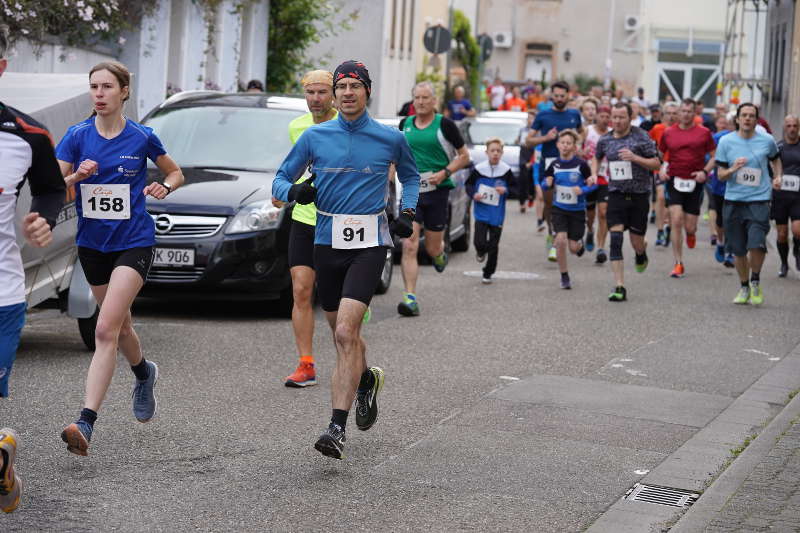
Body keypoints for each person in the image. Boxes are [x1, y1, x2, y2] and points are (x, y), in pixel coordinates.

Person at [272, 60, 420, 459]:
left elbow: (410, 176)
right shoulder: (315, 137)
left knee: (342, 335)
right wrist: (297, 191)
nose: (348, 93)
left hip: (369, 244)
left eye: (356, 86)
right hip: (326, 242)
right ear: (335, 94)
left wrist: (407, 212)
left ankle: (336, 427)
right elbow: (279, 180)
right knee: (345, 334)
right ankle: (367, 379)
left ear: (367, 92)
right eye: (343, 87)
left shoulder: (390, 138)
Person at [56, 61, 185, 456]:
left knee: (104, 329)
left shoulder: (142, 137)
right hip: (94, 246)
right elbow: (56, 193)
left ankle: (85, 422)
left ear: (124, 91)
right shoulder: (76, 137)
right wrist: (76, 178)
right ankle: (144, 374)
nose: (98, 93)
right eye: (93, 86)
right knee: (122, 326)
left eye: (107, 86)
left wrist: (164, 186)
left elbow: (176, 172)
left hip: (134, 242)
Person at [0, 24, 66, 399]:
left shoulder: (29, 136)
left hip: (3, 292)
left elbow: (52, 189)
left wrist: (44, 219)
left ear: (2, 67)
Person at [282, 70, 338, 388]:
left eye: (321, 92)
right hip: (305, 218)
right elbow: (294, 167)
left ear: (332, 94)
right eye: (310, 93)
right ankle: (306, 364)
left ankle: (350, 354)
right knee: (301, 290)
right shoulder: (297, 127)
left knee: (337, 298)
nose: (315, 99)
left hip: (339, 220)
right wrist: (288, 189)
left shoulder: (345, 125)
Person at [397, 81, 470, 317]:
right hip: (411, 192)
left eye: (425, 98)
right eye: (417, 97)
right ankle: (410, 297)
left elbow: (464, 156)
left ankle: (439, 254)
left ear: (434, 101)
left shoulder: (445, 125)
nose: (420, 102)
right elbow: (394, 157)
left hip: (437, 192)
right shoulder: (404, 125)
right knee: (409, 244)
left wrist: (446, 172)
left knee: (431, 247)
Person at [593, 103, 661, 302]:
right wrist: (593, 173)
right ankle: (619, 286)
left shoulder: (641, 137)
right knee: (615, 240)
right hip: (616, 193)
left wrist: (635, 158)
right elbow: (596, 158)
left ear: (631, 118)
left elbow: (656, 163)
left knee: (636, 241)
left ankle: (641, 253)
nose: (617, 121)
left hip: (639, 195)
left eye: (621, 117)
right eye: (614, 117)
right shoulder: (605, 139)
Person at [715, 103, 780, 305]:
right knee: (738, 249)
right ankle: (743, 286)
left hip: (759, 200)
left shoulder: (767, 140)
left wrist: (778, 176)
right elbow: (721, 175)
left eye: (751, 116)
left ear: (756, 119)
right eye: (744, 115)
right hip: (734, 201)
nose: (747, 119)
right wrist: (733, 168)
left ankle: (755, 280)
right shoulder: (726, 142)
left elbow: (776, 159)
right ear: (737, 119)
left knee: (757, 243)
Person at [658, 98, 716, 278]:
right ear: (678, 113)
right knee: (675, 220)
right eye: (682, 111)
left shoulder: (704, 133)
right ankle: (678, 263)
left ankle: (691, 234)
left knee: (690, 227)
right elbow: (659, 155)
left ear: (694, 113)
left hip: (695, 182)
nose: (685, 114)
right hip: (674, 180)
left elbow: (715, 156)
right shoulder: (668, 133)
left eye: (689, 111)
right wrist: (661, 169)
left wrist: (705, 172)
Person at [526, 81, 583, 261]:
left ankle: (571, 236)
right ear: (552, 96)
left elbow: (582, 133)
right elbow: (528, 141)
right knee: (550, 203)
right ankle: (553, 236)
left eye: (562, 96)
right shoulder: (543, 115)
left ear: (568, 95)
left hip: (570, 166)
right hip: (549, 165)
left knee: (570, 201)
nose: (559, 99)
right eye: (556, 96)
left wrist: (578, 146)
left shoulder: (574, 114)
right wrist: (546, 138)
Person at [542, 130, 596, 289]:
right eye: (562, 143)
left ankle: (579, 247)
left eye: (569, 143)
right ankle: (564, 276)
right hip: (559, 209)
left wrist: (584, 190)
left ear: (574, 146)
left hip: (577, 211)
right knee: (559, 240)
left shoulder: (581, 165)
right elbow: (544, 184)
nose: (565, 146)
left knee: (573, 248)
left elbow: (593, 184)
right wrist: (548, 183)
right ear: (558, 145)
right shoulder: (554, 165)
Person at [466, 137, 512, 284]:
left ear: (502, 153)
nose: (495, 153)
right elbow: (468, 185)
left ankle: (488, 272)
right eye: (493, 150)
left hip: (497, 215)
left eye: (498, 151)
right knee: (479, 242)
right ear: (487, 152)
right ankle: (480, 251)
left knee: (493, 246)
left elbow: (517, 189)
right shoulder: (479, 170)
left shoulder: (506, 171)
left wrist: (506, 190)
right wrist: (474, 194)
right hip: (481, 212)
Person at [772, 114, 800, 277]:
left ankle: (797, 249)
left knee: (797, 230)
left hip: (798, 196)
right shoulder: (778, 147)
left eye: (794, 126)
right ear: (784, 127)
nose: (792, 129)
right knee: (782, 234)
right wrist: (774, 179)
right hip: (781, 196)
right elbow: (770, 167)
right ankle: (784, 263)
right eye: (789, 126)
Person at [583, 105, 611, 263]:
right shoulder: (588, 131)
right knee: (590, 213)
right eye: (602, 116)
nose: (605, 119)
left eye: (608, 116)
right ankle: (589, 230)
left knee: (603, 212)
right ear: (597, 116)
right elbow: (576, 147)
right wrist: (581, 153)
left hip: (606, 178)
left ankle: (601, 247)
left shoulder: (612, 134)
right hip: (589, 177)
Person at [707, 113, 734, 267]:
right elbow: (710, 157)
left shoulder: (747, 139)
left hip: (738, 186)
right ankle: (720, 242)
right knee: (721, 219)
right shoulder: (719, 138)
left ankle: (730, 251)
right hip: (720, 184)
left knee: (733, 218)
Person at [650, 102, 678, 247]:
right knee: (660, 197)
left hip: (678, 169)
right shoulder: (657, 128)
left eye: (674, 113)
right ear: (663, 115)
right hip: (660, 167)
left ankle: (668, 225)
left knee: (672, 202)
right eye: (669, 113)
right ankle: (660, 230)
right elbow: (650, 145)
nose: (671, 116)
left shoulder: (681, 130)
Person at [517, 109, 537, 213]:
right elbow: (518, 140)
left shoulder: (537, 132)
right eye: (528, 118)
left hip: (532, 154)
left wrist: (531, 161)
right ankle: (522, 203)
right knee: (522, 180)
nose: (530, 120)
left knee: (531, 180)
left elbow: (537, 148)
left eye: (532, 118)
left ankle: (531, 196)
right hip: (523, 154)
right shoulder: (522, 129)